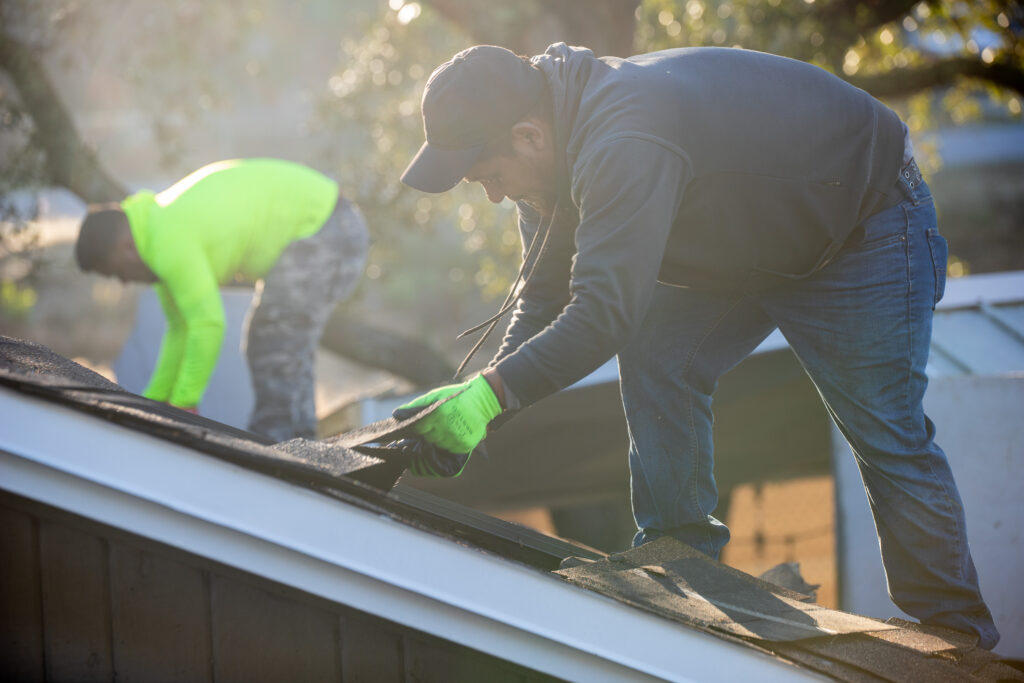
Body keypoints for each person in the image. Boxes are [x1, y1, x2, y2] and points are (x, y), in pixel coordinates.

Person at [394, 44, 1000, 648]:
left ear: (527, 137)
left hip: (858, 221)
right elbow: (543, 300)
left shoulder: (623, 137)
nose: (493, 197)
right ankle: (681, 559)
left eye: (489, 177)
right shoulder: (548, 163)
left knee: (883, 429)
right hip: (747, 239)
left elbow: (602, 315)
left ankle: (955, 632)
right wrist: (482, 406)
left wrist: (491, 398)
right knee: (659, 355)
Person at [75, 158, 368, 442]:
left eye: (116, 273)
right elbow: (181, 330)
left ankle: (284, 443)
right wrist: (152, 403)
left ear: (125, 248)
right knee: (277, 338)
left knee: (275, 338)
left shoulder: (167, 241)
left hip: (327, 228)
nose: (125, 281)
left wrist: (184, 404)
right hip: (329, 225)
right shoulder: (155, 230)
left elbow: (208, 324)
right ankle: (296, 440)